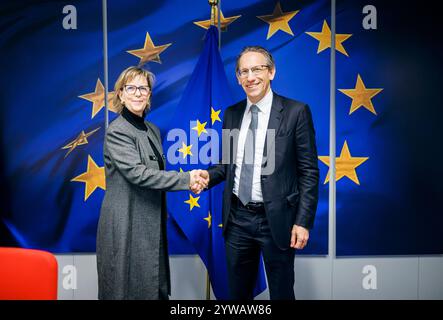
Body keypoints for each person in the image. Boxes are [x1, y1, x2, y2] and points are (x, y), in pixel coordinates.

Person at [194, 46, 319, 300]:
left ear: (271, 72)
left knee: (282, 293)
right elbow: (226, 164)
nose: (250, 77)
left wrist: (303, 222)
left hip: (278, 220)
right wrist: (207, 177)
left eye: (257, 69)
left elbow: (309, 171)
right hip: (238, 219)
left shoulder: (296, 112)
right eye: (243, 71)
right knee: (237, 296)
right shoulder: (232, 114)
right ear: (238, 78)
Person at [96, 66, 206, 300]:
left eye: (143, 88)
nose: (137, 93)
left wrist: (191, 179)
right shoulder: (117, 131)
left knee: (153, 286)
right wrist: (187, 180)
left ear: (148, 95)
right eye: (131, 88)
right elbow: (139, 174)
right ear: (121, 94)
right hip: (126, 222)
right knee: (125, 289)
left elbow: (156, 172)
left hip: (151, 219)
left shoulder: (152, 130)